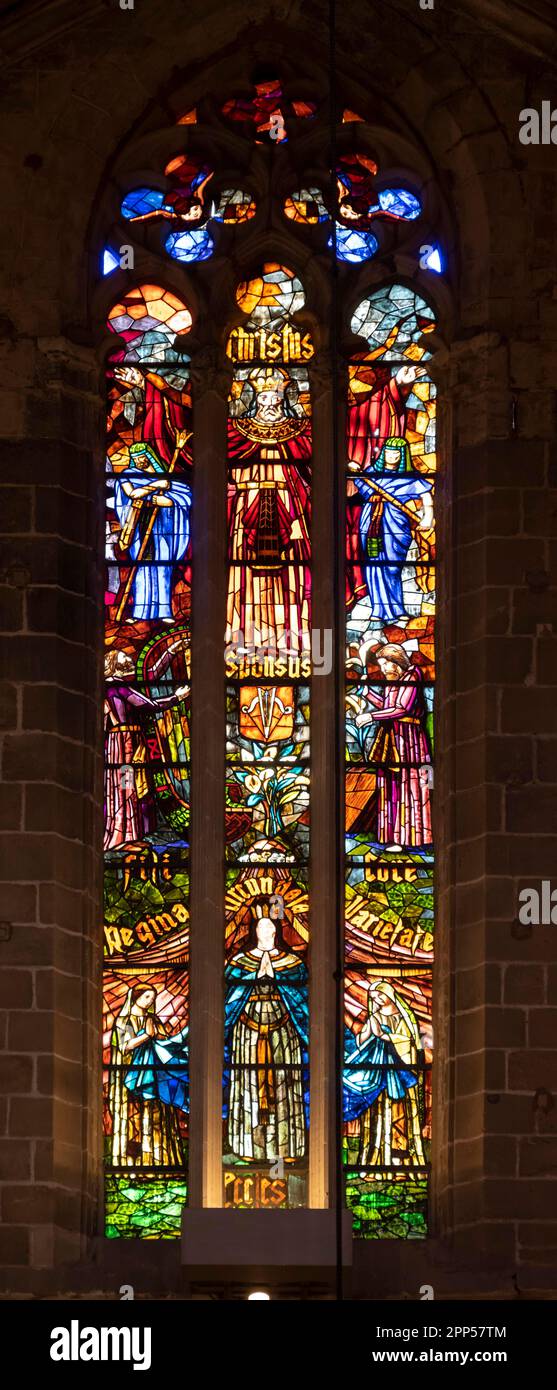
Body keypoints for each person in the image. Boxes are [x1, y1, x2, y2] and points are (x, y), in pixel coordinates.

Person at [227, 366, 311, 653]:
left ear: (283, 399)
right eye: (264, 397)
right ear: (255, 400)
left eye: (276, 397)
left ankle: (294, 638)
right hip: (247, 512)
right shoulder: (238, 432)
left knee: (291, 571)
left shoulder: (300, 432)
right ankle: (245, 638)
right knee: (245, 572)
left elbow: (308, 474)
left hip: (290, 508)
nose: (270, 403)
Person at [224, 900, 309, 1161]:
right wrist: (254, 976)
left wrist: (275, 976)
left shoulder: (292, 963)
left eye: (268, 926)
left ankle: (285, 1151)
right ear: (254, 931)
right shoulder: (239, 962)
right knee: (248, 1086)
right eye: (259, 927)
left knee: (285, 1085)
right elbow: (229, 999)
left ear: (275, 931)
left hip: (283, 1031)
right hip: (247, 1032)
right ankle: (249, 1149)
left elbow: (301, 1000)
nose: (263, 931)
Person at [104, 647, 188, 851]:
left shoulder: (120, 684)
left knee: (130, 784)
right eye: (123, 656)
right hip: (124, 744)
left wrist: (170, 651)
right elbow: (148, 705)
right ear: (114, 664)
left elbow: (151, 674)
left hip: (126, 740)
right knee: (126, 784)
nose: (128, 658)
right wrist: (176, 698)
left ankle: (129, 834)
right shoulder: (116, 686)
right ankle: (122, 837)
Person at [354, 642, 432, 851]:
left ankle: (409, 838)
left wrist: (370, 717)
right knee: (391, 785)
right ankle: (392, 836)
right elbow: (388, 707)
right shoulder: (393, 680)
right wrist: (368, 694)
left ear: (396, 661)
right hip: (393, 737)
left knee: (409, 784)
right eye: (381, 665)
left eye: (385, 664)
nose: (383, 669)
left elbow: (401, 708)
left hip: (409, 741)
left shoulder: (412, 676)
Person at [349, 435, 433, 627]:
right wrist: (354, 472)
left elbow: (426, 495)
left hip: (396, 523)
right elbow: (357, 485)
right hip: (371, 522)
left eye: (396, 454)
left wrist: (428, 517)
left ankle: (397, 609)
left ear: (403, 456)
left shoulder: (409, 477)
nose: (392, 457)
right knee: (374, 565)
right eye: (388, 452)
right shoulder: (370, 473)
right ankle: (378, 610)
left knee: (393, 567)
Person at [344, 980, 426, 1166]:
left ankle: (400, 1160)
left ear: (389, 994)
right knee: (378, 1115)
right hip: (378, 1076)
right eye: (373, 997)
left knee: (399, 1114)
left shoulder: (404, 1018)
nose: (377, 1000)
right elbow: (361, 1042)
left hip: (399, 1075)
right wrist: (370, 1029)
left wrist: (384, 1036)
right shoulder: (374, 1017)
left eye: (380, 995)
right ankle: (376, 1158)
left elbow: (409, 1042)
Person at [107, 984, 188, 1168]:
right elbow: (125, 1046)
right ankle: (131, 1165)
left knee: (156, 1120)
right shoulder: (125, 1020)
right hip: (130, 1080)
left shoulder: (154, 1020)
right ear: (135, 997)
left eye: (152, 998)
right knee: (133, 1122)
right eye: (146, 997)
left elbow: (162, 1041)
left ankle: (158, 1162)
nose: (150, 1001)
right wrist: (147, 1035)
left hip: (154, 1079)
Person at [113, 441, 191, 622]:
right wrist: (157, 485)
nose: (138, 461)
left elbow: (186, 497)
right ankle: (140, 613)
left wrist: (169, 502)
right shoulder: (128, 475)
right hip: (140, 527)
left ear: (149, 456)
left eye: (141, 457)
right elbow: (132, 494)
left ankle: (164, 612)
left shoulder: (166, 476)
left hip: (163, 528)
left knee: (163, 568)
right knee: (142, 568)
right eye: (135, 458)